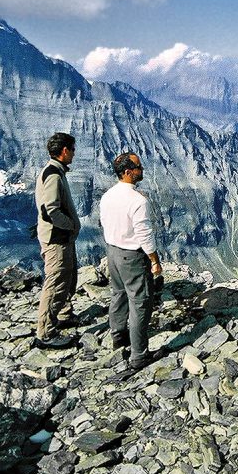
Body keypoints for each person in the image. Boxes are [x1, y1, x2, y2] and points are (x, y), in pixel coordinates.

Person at [99, 152, 162, 376]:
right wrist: (154, 260)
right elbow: (144, 234)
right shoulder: (138, 201)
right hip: (132, 256)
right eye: (138, 167)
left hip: (112, 252)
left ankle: (118, 337)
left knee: (118, 294)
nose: (142, 169)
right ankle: (139, 356)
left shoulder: (107, 195)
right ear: (128, 172)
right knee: (140, 302)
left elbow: (104, 222)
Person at [34, 132, 81, 348]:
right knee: (56, 283)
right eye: (72, 149)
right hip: (57, 239)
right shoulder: (53, 175)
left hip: (59, 237)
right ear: (64, 151)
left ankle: (63, 314)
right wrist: (70, 224)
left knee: (67, 278)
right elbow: (50, 210)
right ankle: (45, 333)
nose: (74, 153)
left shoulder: (53, 171)